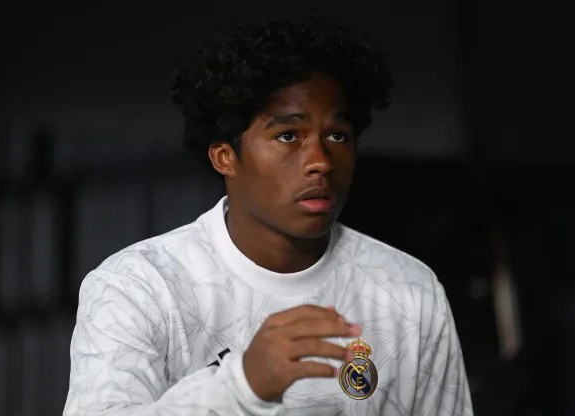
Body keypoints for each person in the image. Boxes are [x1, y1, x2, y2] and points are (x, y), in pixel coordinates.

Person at [63, 13, 473, 416]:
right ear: (225, 157)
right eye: (288, 136)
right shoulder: (137, 287)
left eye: (337, 135)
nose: (320, 162)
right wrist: (242, 386)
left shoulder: (409, 291)